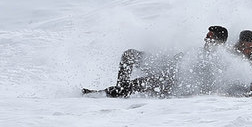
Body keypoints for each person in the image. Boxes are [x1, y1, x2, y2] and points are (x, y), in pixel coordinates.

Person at [82, 26, 235, 98]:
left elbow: (227, 82)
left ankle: (105, 93)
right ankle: (119, 88)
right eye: (206, 36)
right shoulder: (198, 51)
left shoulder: (220, 60)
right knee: (129, 55)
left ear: (219, 42)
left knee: (137, 84)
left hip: (173, 83)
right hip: (167, 69)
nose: (206, 40)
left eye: (210, 37)